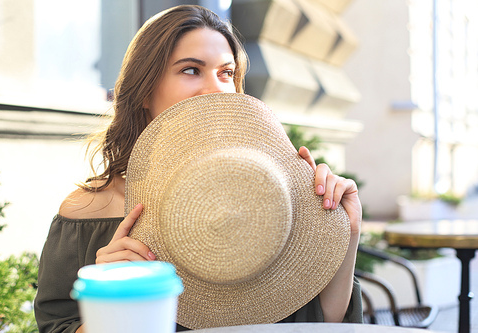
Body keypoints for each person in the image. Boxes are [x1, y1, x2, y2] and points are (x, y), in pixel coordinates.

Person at [34, 5, 363, 333]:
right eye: (191, 70)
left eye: (226, 73)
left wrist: (346, 231)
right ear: (145, 90)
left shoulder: (276, 195)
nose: (215, 88)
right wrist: (115, 305)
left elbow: (319, 323)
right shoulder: (87, 212)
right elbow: (56, 326)